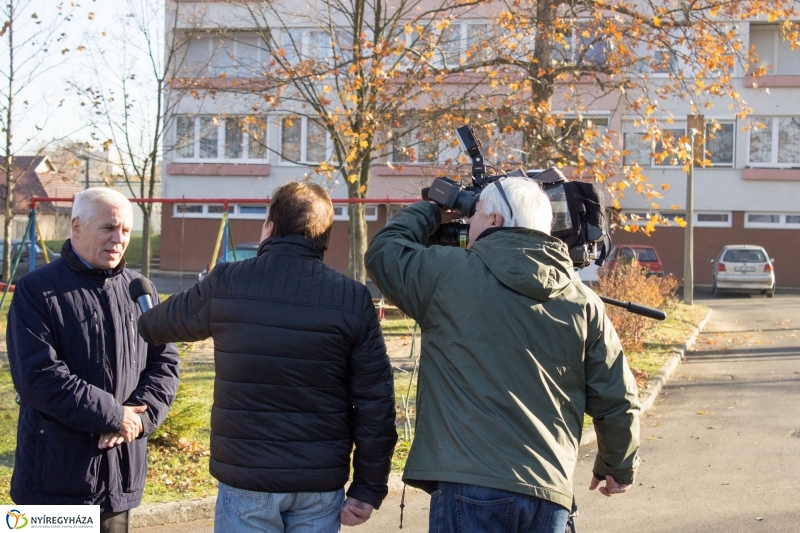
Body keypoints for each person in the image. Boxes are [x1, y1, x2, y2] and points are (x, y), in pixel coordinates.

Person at [365, 177, 641, 533]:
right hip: (548, 491)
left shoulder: (448, 273)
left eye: (475, 215)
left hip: (469, 481)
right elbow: (617, 396)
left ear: (495, 220)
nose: (469, 224)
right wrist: (617, 465)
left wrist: (431, 211)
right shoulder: (583, 301)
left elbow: (385, 252)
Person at [137, 182, 397, 532]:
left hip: (248, 479)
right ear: (325, 237)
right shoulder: (352, 298)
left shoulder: (228, 282)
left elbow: (154, 325)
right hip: (318, 482)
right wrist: (368, 488)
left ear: (270, 227)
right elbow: (375, 402)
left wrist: (141, 297)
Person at [7, 188, 180, 533]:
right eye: (108, 228)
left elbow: (165, 364)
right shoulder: (36, 290)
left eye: (126, 230)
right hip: (53, 485)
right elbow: (38, 375)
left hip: (119, 479)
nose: (119, 239)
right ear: (76, 226)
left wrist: (139, 417)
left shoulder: (140, 290)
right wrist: (114, 415)